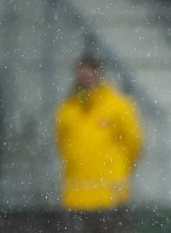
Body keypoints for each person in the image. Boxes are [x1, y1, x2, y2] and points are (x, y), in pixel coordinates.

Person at [54, 55, 143, 210]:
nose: (87, 75)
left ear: (100, 72)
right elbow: (61, 144)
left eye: (91, 69)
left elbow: (134, 142)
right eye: (83, 70)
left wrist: (117, 173)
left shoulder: (118, 105)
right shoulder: (67, 108)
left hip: (110, 195)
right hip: (76, 195)